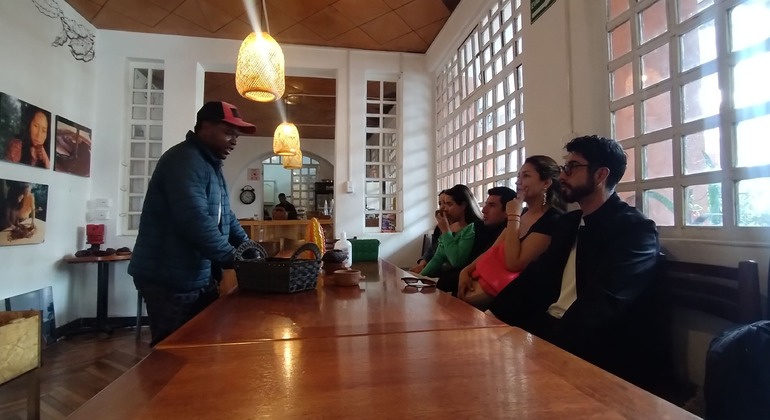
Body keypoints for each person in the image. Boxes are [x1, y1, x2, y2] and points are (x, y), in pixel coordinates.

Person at [489, 135, 659, 382]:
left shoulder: (635, 231)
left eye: (572, 167)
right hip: (550, 327)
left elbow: (601, 305)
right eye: (563, 167)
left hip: (597, 349)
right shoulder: (569, 222)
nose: (562, 175)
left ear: (600, 175)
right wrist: (492, 314)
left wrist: (542, 348)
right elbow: (537, 276)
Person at [128, 101, 257, 347]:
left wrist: (248, 248)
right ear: (205, 127)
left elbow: (226, 216)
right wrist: (232, 257)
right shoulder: (184, 160)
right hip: (169, 277)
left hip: (193, 274)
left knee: (198, 346)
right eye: (228, 132)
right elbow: (194, 219)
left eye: (237, 136)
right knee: (173, 350)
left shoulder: (209, 165)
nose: (234, 141)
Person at [458, 156, 566, 310]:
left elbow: (514, 264)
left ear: (546, 183)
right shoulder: (523, 213)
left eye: (526, 176)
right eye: (518, 176)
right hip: (487, 284)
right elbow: (493, 250)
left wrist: (514, 215)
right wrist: (465, 271)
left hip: (518, 299)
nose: (518, 182)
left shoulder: (552, 219)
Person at [435, 186, 515, 295]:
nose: (484, 210)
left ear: (508, 211)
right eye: (486, 204)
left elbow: (461, 262)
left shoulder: (508, 234)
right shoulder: (480, 227)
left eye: (492, 205)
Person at [418, 184, 482, 278]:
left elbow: (457, 261)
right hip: (442, 277)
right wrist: (419, 277)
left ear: (463, 205)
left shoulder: (472, 228)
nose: (445, 209)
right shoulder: (450, 227)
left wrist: (445, 230)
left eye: (449, 204)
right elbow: (438, 257)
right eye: (443, 204)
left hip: (457, 278)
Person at [408, 191, 448, 273]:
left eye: (446, 203)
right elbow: (433, 248)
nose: (442, 207)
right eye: (440, 204)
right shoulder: (439, 228)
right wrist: (422, 262)